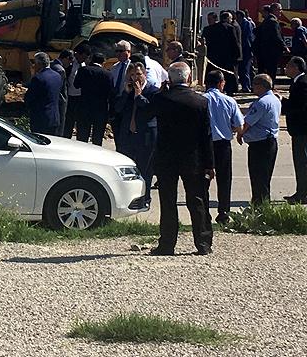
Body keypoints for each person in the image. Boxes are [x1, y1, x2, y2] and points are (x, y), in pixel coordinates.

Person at [148, 62, 214, 256]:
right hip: (193, 158)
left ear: (169, 79)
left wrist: (162, 91)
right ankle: (203, 243)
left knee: (168, 201)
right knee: (197, 200)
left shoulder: (161, 99)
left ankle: (167, 244)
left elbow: (148, 112)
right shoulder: (200, 102)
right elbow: (206, 136)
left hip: (166, 157)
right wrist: (210, 163)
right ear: (188, 77)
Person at [113, 62, 159, 205]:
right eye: (132, 75)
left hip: (145, 135)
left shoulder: (153, 91)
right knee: (127, 168)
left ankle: (145, 198)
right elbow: (118, 109)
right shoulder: (128, 91)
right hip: (128, 135)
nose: (135, 78)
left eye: (138, 74)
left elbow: (150, 110)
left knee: (145, 168)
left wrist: (139, 96)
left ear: (144, 74)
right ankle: (130, 198)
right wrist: (126, 93)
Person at [203, 70, 244, 224]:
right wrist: (230, 129)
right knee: (224, 180)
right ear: (221, 83)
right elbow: (239, 126)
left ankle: (204, 213)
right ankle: (224, 213)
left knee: (204, 180)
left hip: (205, 144)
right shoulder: (229, 101)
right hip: (223, 145)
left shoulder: (201, 100)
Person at [237, 73, 281, 206]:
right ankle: (263, 205)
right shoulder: (274, 99)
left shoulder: (262, 102)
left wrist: (239, 133)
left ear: (261, 86)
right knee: (264, 178)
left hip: (260, 144)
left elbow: (247, 123)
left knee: (258, 179)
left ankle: (260, 207)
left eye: (254, 85)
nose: (252, 88)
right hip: (269, 142)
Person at [283, 56, 307, 205]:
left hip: (301, 129)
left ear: (296, 68)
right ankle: (301, 191)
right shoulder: (298, 82)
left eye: (288, 66)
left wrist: (283, 102)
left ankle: (302, 193)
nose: (285, 68)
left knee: (301, 162)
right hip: (299, 129)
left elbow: (299, 106)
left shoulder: (302, 83)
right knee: (301, 162)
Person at [74, 52, 111, 146]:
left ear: (91, 59)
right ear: (103, 62)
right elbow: (111, 92)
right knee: (97, 138)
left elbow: (76, 85)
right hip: (100, 108)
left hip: (84, 106)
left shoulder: (83, 70)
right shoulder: (107, 74)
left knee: (82, 137)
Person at [203, 11, 241, 95]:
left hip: (213, 58)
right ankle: (229, 91)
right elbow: (235, 43)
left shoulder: (209, 29)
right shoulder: (230, 28)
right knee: (228, 76)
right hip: (227, 58)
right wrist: (237, 56)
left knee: (214, 75)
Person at [24, 52, 62, 135]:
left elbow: (29, 98)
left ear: (39, 64)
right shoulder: (57, 76)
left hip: (41, 119)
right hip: (54, 117)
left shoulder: (38, 78)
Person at [253, 7, 287, 81]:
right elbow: (277, 36)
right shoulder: (273, 21)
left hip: (263, 51)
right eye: (279, 9)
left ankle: (263, 86)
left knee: (263, 70)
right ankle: (270, 87)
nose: (281, 11)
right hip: (271, 51)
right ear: (274, 10)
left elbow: (255, 31)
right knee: (271, 70)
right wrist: (284, 47)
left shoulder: (266, 21)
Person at [64, 43, 89, 138]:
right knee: (68, 121)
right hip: (69, 97)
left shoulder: (83, 65)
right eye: (83, 56)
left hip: (80, 97)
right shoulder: (69, 64)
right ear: (77, 54)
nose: (84, 59)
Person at [51, 50, 72, 136]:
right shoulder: (60, 70)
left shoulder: (51, 64)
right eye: (70, 60)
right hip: (59, 102)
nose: (70, 63)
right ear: (66, 58)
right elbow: (59, 89)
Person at [236, 9, 255, 92]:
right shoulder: (247, 23)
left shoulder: (246, 24)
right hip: (247, 49)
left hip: (246, 49)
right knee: (246, 69)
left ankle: (246, 87)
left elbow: (245, 38)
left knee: (244, 69)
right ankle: (248, 85)